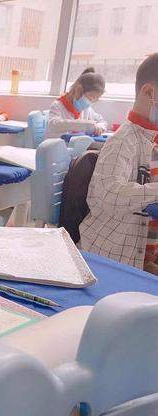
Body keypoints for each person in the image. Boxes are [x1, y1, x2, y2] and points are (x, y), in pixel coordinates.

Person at [80, 54, 158, 275]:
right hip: (116, 258)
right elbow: (109, 193)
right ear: (148, 92)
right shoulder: (124, 140)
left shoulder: (152, 138)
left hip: (145, 254)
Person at [45, 68, 108, 139]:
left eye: (95, 100)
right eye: (90, 97)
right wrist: (84, 125)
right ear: (78, 91)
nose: (91, 102)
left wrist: (99, 127)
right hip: (57, 144)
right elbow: (53, 125)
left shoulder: (87, 109)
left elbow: (102, 122)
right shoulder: (58, 106)